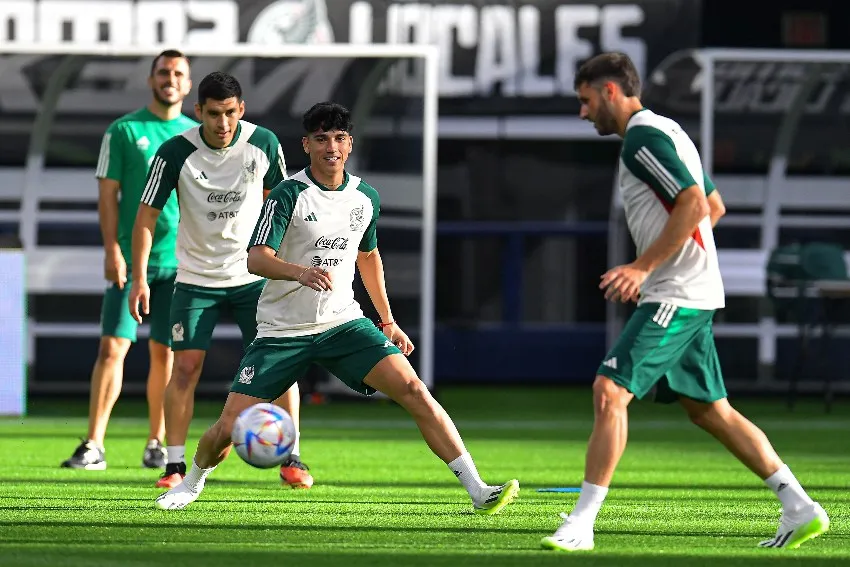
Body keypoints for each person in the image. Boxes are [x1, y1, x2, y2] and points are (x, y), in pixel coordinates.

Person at [153, 102, 520, 514]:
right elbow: (256, 259)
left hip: (343, 323)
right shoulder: (290, 193)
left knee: (415, 389)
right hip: (281, 332)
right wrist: (299, 273)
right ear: (306, 144)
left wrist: (387, 321)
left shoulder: (365, 197)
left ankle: (477, 488)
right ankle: (191, 482)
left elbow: (369, 256)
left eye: (340, 138)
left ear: (350, 145)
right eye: (322, 138)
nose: (332, 146)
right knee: (228, 428)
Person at [540, 52, 829, 552]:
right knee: (711, 411)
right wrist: (682, 255)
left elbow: (695, 205)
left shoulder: (642, 139)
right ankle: (798, 505)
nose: (583, 113)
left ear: (611, 91)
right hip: (691, 291)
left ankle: (582, 524)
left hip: (675, 295)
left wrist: (645, 266)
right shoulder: (670, 130)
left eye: (586, 101)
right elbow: (712, 206)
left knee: (610, 391)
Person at [128, 71, 313, 490]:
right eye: (214, 114)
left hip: (254, 277)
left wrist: (289, 267)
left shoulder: (263, 143)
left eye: (230, 113)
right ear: (199, 112)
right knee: (186, 367)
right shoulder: (174, 152)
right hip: (195, 279)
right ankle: (174, 466)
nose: (223, 123)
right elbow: (146, 218)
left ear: (241, 109)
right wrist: (139, 277)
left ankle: (292, 457)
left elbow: (283, 205)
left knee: (280, 364)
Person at [61, 50, 196, 471]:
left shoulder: (198, 135)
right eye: (163, 72)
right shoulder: (124, 129)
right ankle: (94, 445)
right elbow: (108, 196)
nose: (169, 78)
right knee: (111, 348)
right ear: (151, 79)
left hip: (181, 264)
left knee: (165, 355)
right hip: (131, 262)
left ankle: (156, 442)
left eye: (178, 73)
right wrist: (112, 249)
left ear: (188, 84)